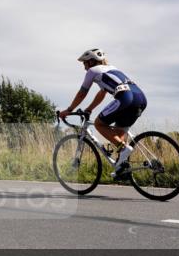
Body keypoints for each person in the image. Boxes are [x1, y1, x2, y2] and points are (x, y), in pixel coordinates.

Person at [58, 49, 147, 177]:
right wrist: (89, 109)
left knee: (99, 124)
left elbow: (82, 93)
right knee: (118, 133)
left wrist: (69, 110)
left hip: (126, 98)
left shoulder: (92, 71)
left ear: (91, 62)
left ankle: (124, 149)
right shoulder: (112, 68)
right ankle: (122, 168)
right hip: (141, 98)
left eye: (85, 63)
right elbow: (102, 93)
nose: (84, 67)